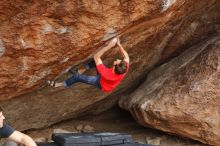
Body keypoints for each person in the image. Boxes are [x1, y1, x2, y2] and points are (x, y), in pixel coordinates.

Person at [47, 37, 129, 92]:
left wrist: (110, 46)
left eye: (117, 61)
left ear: (114, 66)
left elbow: (96, 56)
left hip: (101, 83)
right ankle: (79, 71)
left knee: (76, 77)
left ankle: (60, 84)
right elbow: (126, 57)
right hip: (107, 80)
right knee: (94, 62)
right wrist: (119, 44)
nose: (118, 59)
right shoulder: (124, 68)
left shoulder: (105, 73)